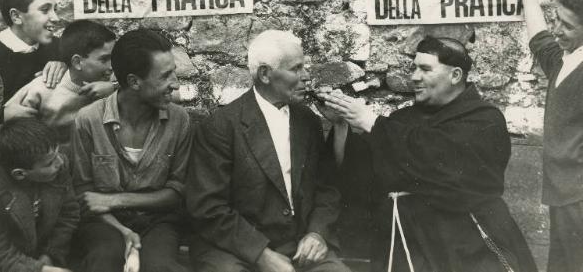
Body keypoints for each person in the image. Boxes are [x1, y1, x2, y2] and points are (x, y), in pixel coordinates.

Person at [320, 36, 537, 272]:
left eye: (425, 69)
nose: (414, 77)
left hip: (465, 245)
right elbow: (360, 178)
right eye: (413, 68)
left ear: (455, 76)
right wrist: (341, 126)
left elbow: (438, 160)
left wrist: (372, 122)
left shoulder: (485, 120)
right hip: (405, 243)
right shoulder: (403, 120)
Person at [187, 30, 350, 272]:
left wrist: (316, 234)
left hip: (298, 245)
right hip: (236, 250)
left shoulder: (308, 121)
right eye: (296, 69)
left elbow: (326, 188)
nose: (307, 77)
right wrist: (261, 255)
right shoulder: (221, 127)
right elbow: (209, 208)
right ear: (265, 74)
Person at [71, 28, 193, 272]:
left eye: (174, 73)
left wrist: (115, 199)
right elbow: (86, 197)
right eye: (165, 76)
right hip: (104, 223)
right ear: (134, 82)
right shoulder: (88, 120)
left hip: (159, 222)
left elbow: (177, 193)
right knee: (103, 260)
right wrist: (122, 231)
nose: (175, 84)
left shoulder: (179, 120)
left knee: (161, 266)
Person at [515, 0, 583, 272]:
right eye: (558, 19)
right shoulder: (566, 61)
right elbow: (539, 39)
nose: (558, 30)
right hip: (564, 197)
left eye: (568, 26)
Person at [0, 119, 79, 272]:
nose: (60, 162)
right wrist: (39, 269)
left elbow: (68, 216)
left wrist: (50, 256)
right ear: (20, 174)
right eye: (49, 163)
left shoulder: (58, 167)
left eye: (58, 153)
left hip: (48, 254)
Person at [4, 20, 117, 144]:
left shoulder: (112, 83)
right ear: (77, 62)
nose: (112, 66)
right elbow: (16, 133)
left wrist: (114, 87)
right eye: (104, 59)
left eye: (113, 57)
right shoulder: (42, 88)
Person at [0, 0, 67, 106]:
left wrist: (65, 68)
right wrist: (3, 116)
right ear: (16, 16)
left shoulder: (61, 48)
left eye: (55, 10)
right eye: (45, 10)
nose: (55, 17)